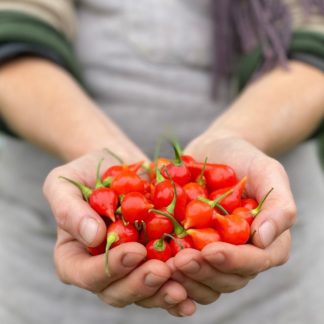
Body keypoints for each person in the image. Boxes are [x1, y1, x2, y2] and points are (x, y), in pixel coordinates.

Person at [0, 0, 323, 323]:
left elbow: (314, 42)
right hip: (47, 273)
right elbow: (13, 32)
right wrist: (95, 144)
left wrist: (238, 135)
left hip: (270, 296)